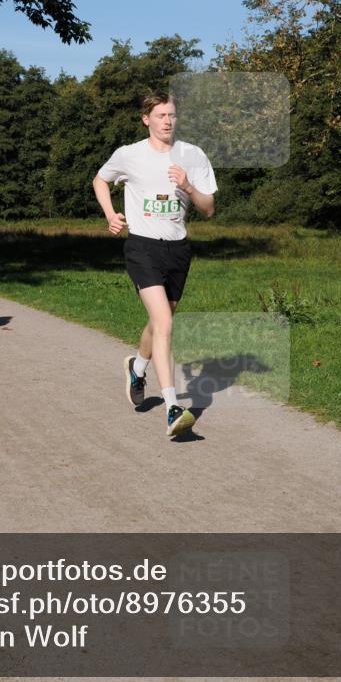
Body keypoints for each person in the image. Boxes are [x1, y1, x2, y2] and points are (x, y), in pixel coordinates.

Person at [93, 92, 217, 437]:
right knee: (164, 322)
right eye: (160, 115)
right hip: (142, 247)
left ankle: (138, 366)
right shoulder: (129, 155)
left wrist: (188, 185)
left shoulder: (193, 156)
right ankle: (172, 407)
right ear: (146, 119)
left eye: (172, 115)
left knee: (160, 320)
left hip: (178, 249)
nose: (167, 121)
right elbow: (100, 180)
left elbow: (208, 208)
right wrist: (110, 215)